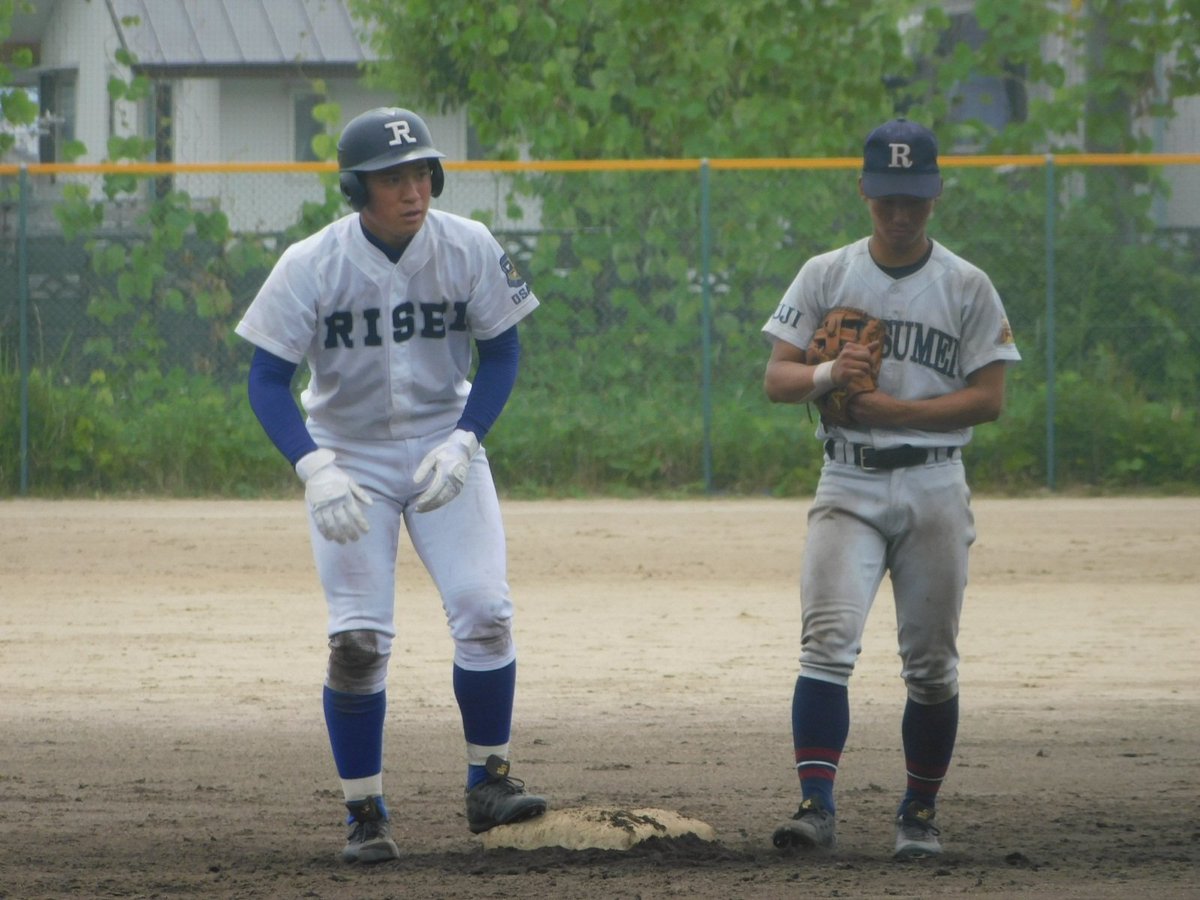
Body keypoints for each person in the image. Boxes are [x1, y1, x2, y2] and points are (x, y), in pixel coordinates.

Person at [235, 107, 546, 863]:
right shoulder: (313, 262)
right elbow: (268, 379)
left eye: (420, 174)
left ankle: (490, 780)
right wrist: (314, 468)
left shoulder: (467, 245)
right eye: (391, 178)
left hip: (444, 444)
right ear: (357, 188)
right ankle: (364, 811)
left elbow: (502, 353)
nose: (412, 190)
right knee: (358, 640)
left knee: (484, 612)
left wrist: (468, 439)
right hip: (349, 455)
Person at [761, 117, 1021, 860]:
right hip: (847, 478)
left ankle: (919, 811)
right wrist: (824, 377)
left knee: (931, 664)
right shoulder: (825, 273)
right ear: (864, 192)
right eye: (887, 200)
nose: (900, 214)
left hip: (937, 484)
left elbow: (991, 397)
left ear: (935, 194)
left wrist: (896, 410)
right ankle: (816, 805)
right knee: (826, 646)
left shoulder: (965, 284)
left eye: (914, 199)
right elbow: (776, 376)